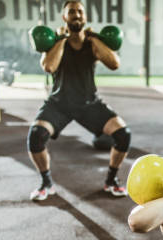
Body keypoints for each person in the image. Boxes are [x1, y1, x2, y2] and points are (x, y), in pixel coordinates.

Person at [27, 0, 131, 201]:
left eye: (80, 12)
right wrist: (63, 39)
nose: (76, 15)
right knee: (36, 136)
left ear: (85, 17)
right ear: (64, 17)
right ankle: (46, 183)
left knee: (123, 135)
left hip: (88, 104)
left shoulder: (92, 44)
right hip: (59, 104)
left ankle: (111, 180)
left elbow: (114, 63)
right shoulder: (55, 42)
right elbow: (49, 66)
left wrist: (94, 38)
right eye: (71, 12)